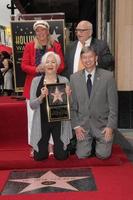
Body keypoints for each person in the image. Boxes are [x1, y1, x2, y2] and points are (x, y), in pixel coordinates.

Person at [21, 20, 65, 153]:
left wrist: (50, 69)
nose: (40, 33)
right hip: (33, 85)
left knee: (52, 116)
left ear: (47, 31)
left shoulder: (55, 46)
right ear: (35, 33)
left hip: (52, 85)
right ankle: (34, 146)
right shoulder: (29, 46)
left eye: (43, 30)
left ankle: (51, 144)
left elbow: (62, 65)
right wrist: (37, 69)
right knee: (33, 118)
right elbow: (23, 65)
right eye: (37, 30)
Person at [70, 46, 118, 159]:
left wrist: (110, 127)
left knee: (103, 155)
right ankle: (88, 143)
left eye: (90, 57)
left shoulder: (108, 77)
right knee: (81, 155)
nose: (87, 60)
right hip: (84, 126)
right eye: (84, 57)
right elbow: (72, 106)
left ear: (96, 58)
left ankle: (99, 143)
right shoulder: (74, 78)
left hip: (102, 126)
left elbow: (113, 106)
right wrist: (76, 126)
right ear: (81, 60)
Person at [29, 51, 72, 161]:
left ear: (57, 66)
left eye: (53, 62)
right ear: (43, 65)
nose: (50, 64)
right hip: (42, 121)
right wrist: (41, 97)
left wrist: (69, 96)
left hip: (59, 121)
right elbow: (32, 105)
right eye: (47, 62)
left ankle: (61, 147)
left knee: (61, 156)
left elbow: (70, 105)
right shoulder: (36, 81)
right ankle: (41, 149)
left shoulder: (64, 80)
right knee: (39, 157)